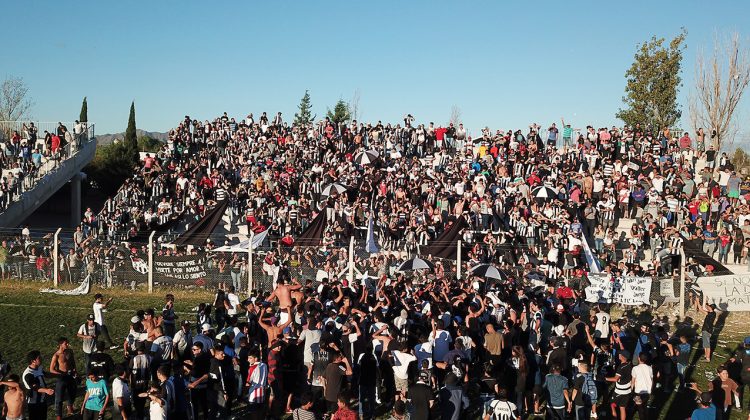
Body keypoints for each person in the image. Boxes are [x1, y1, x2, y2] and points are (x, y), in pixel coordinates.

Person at [22, 350, 55, 420]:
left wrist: (58, 375)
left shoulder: (39, 367)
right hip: (34, 403)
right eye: (39, 358)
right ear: (33, 361)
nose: (41, 358)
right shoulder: (28, 374)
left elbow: (45, 374)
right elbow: (34, 388)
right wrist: (46, 390)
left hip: (42, 400)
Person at [49, 337, 77, 420]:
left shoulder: (70, 352)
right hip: (61, 377)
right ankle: (59, 415)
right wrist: (59, 374)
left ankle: (70, 406)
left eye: (67, 343)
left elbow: (73, 362)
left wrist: (75, 371)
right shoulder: (56, 356)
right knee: (59, 397)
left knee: (72, 392)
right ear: (60, 345)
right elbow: (51, 369)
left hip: (70, 375)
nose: (68, 344)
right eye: (66, 343)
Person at [607, 351, 632, 420]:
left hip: (620, 391)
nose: (619, 354)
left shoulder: (621, 367)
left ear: (623, 357)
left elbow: (615, 379)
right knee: (622, 407)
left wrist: (604, 378)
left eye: (620, 354)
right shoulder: (629, 364)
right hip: (627, 390)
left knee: (612, 404)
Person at [245, 348, 268, 419]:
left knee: (254, 412)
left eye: (250, 358)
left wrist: (245, 390)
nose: (248, 360)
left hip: (253, 394)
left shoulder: (252, 368)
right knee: (260, 411)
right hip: (262, 392)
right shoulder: (264, 365)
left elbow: (248, 383)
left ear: (256, 358)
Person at [632, 353, 653, 420]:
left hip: (638, 392)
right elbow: (651, 379)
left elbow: (633, 381)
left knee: (640, 409)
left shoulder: (635, 368)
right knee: (644, 406)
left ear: (638, 358)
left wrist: (631, 390)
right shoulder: (649, 368)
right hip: (647, 391)